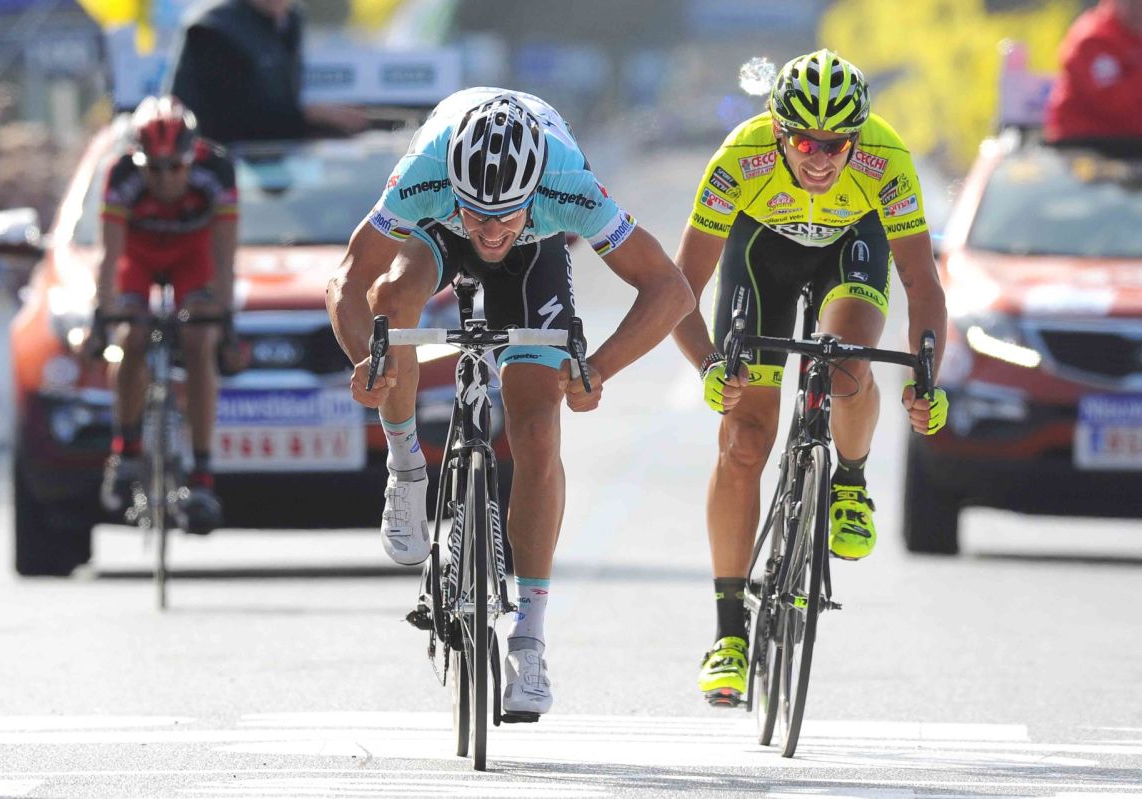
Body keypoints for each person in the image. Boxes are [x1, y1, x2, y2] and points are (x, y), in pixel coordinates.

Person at [326, 88, 693, 718]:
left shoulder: (567, 184)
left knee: (537, 430)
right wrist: (368, 359)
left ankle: (529, 638)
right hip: (439, 232)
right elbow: (349, 278)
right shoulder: (427, 171)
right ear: (455, 187)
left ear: (533, 191)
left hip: (538, 248)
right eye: (480, 214)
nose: (492, 231)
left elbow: (670, 289)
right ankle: (406, 468)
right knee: (393, 298)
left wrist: (597, 369)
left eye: (504, 216)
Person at [671, 50, 949, 706]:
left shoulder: (886, 158)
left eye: (836, 145)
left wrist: (927, 379)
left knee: (848, 362)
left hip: (851, 246)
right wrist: (709, 364)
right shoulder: (740, 158)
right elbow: (680, 288)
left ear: (857, 138)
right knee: (744, 441)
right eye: (804, 143)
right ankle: (729, 634)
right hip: (761, 254)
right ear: (778, 131)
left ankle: (849, 482)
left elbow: (922, 283)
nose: (820, 159)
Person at [90, 96, 238, 535]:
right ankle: (126, 448)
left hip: (192, 255)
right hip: (137, 256)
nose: (165, 178)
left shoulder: (217, 170)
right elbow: (109, 257)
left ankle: (202, 475)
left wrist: (225, 320)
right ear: (136, 160)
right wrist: (103, 317)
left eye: (175, 167)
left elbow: (224, 257)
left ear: (192, 156)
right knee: (130, 337)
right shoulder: (119, 174)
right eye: (152, 168)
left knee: (199, 341)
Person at [165, 0, 366, 144]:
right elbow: (234, 121)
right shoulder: (214, 28)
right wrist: (311, 115)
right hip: (211, 171)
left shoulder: (289, 20)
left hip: (278, 162)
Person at [1044, 0, 1142, 144]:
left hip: (1127, 141)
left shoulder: (1134, 33)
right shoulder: (1094, 37)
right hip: (1086, 141)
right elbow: (1112, 105)